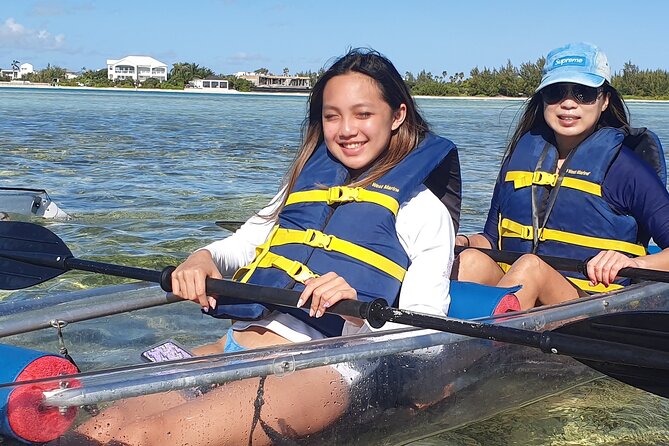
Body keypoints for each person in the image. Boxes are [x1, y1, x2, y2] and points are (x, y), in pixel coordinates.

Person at [71, 48, 458, 446]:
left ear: (397, 116)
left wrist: (358, 314)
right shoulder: (305, 186)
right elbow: (243, 244)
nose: (346, 130)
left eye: (363, 114)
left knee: (145, 437)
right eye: (331, 116)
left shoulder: (423, 211)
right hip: (232, 346)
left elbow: (427, 337)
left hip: (317, 369)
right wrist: (203, 258)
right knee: (96, 430)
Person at [454, 42, 669, 310]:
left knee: (531, 268)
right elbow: (491, 239)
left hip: (592, 305)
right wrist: (460, 241)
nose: (568, 103)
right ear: (543, 99)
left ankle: (481, 348)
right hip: (523, 297)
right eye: (556, 92)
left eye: (583, 93)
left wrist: (635, 263)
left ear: (604, 101)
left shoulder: (626, 169)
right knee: (471, 259)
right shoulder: (519, 160)